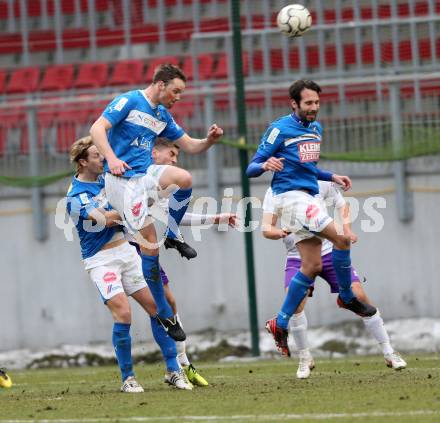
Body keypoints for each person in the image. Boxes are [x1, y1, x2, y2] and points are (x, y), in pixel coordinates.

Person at [90, 64, 223, 340]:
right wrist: (112, 158)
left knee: (184, 179)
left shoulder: (162, 115)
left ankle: (173, 234)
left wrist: (209, 141)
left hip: (143, 176)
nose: (178, 97)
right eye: (176, 91)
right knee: (150, 247)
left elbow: (191, 146)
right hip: (121, 182)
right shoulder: (129, 101)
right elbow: (97, 128)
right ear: (161, 85)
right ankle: (163, 312)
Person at [246, 79, 376, 357]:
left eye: (316, 102)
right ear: (294, 103)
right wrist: (264, 164)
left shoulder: (316, 129)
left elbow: (308, 168)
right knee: (341, 239)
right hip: (291, 199)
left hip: (305, 197)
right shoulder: (279, 129)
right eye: (308, 103)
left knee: (312, 265)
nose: (314, 108)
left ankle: (280, 322)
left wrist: (331, 177)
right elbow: (251, 168)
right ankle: (347, 296)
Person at [66, 136, 192, 392]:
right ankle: (128, 378)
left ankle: (173, 370)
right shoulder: (76, 196)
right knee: (123, 313)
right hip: (101, 261)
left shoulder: (108, 180)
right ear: (82, 162)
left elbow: (135, 202)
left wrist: (138, 201)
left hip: (126, 252)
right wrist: (131, 205)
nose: (102, 157)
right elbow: (103, 219)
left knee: (158, 308)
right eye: (96, 155)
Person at [262, 181, 407, 379]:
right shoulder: (274, 190)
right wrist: (278, 232)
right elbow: (266, 229)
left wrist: (346, 229)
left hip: (330, 252)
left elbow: (342, 204)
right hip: (297, 256)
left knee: (360, 297)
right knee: (295, 302)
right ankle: (305, 358)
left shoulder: (317, 181)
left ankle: (389, 352)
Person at [146, 138, 238, 386]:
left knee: (166, 303)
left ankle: (179, 366)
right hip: (123, 251)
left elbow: (174, 214)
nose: (175, 160)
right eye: (172, 154)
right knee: (151, 308)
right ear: (154, 153)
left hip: (141, 250)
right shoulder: (134, 179)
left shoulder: (154, 187)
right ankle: (173, 368)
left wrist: (215, 217)